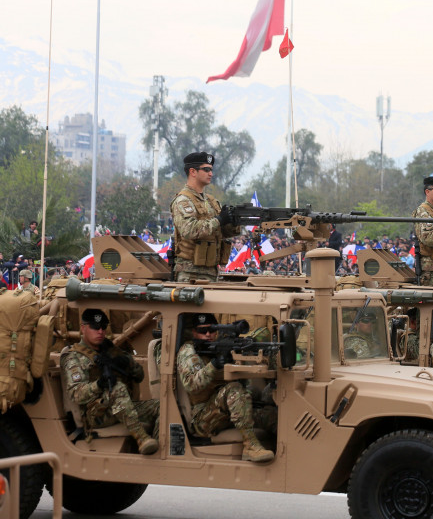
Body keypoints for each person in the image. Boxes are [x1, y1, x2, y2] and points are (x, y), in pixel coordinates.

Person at [176, 312, 274, 462]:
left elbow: (245, 384)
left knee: (270, 416)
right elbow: (192, 385)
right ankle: (251, 446)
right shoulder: (189, 351)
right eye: (202, 331)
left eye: (212, 330)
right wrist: (214, 364)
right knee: (233, 388)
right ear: (194, 332)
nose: (208, 334)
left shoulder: (220, 346)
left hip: (229, 412)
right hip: (203, 419)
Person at [60, 309, 159, 454]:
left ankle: (159, 449)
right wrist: (99, 384)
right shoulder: (73, 357)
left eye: (103, 327)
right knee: (116, 388)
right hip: (96, 415)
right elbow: (77, 394)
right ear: (83, 328)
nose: (100, 331)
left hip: (122, 408)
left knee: (161, 407)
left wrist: (127, 363)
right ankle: (141, 438)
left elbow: (140, 376)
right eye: (95, 327)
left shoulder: (110, 350)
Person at [170, 152, 237, 282]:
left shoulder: (212, 202)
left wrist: (233, 222)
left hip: (211, 271)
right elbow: (189, 230)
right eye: (206, 170)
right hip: (190, 273)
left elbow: (222, 233)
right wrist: (219, 220)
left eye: (211, 170)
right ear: (193, 172)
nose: (210, 174)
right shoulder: (183, 201)